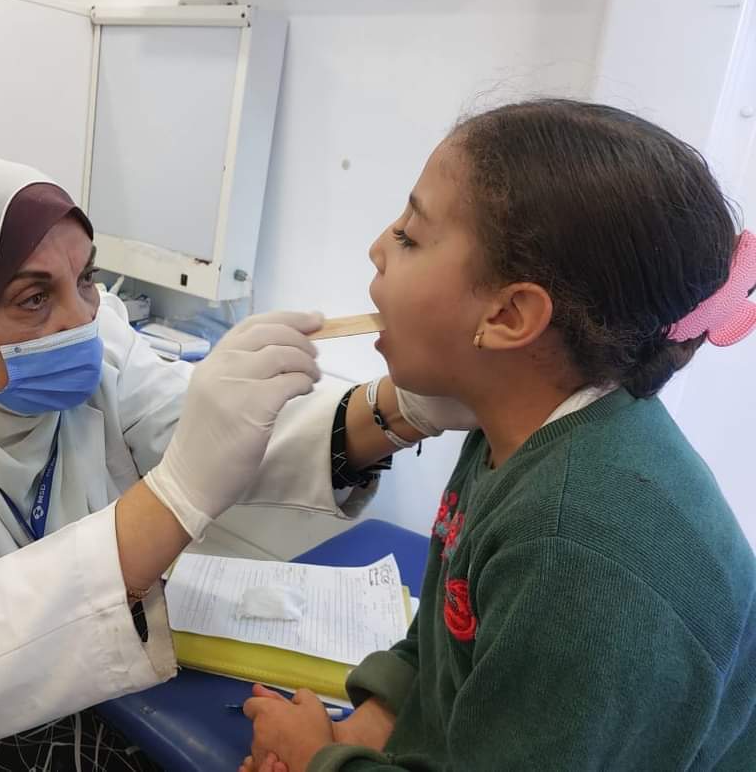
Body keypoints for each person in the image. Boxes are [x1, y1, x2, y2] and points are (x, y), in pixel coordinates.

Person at [0, 156, 473, 772]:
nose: (80, 319)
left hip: (10, 699)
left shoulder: (94, 337)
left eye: (86, 277)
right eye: (34, 298)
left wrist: (402, 408)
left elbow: (208, 435)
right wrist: (175, 496)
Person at [240, 99, 756, 772]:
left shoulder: (575, 551)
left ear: (509, 316)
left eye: (410, 236)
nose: (377, 247)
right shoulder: (512, 425)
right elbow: (450, 637)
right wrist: (372, 722)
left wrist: (316, 759)